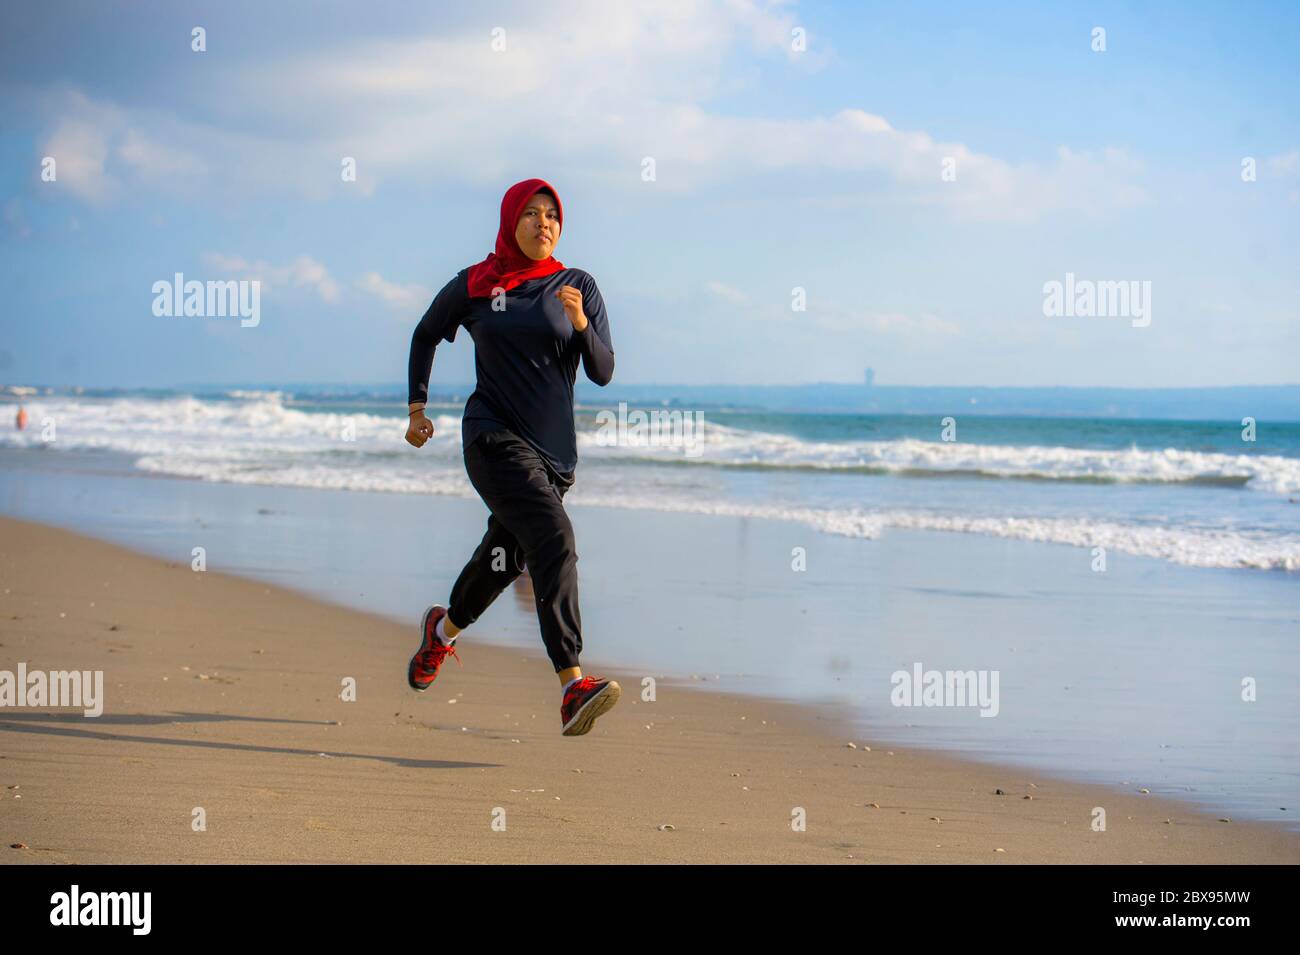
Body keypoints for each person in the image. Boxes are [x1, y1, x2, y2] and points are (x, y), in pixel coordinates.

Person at [404, 177, 620, 737]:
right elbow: (426, 333)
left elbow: (602, 370)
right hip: (491, 438)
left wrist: (580, 325)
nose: (543, 223)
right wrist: (417, 408)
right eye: (531, 213)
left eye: (552, 215)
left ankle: (441, 633)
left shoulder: (578, 286)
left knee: (500, 563)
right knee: (555, 538)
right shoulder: (478, 285)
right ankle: (572, 684)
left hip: (555, 460)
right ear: (509, 221)